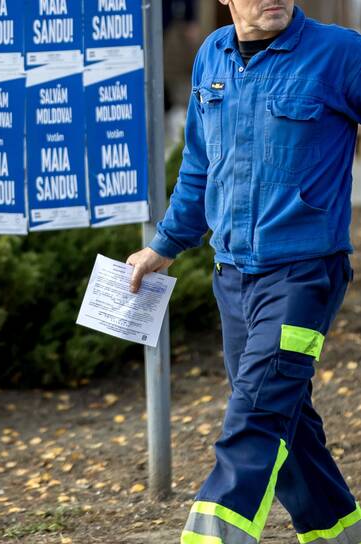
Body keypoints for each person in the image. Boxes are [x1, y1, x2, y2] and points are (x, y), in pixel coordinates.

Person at [125, 2, 361, 542]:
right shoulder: (214, 55)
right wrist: (163, 246)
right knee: (286, 418)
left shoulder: (339, 54)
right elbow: (199, 168)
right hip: (232, 277)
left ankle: (211, 536)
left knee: (255, 414)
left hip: (304, 275)